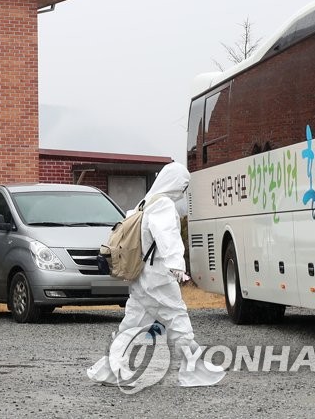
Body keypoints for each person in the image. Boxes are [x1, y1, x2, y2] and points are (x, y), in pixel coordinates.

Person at [86, 161, 226, 389]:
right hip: (158, 278)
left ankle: (110, 370)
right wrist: (177, 266)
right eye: (183, 185)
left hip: (140, 279)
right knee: (178, 320)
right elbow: (168, 236)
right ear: (176, 183)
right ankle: (195, 372)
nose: (183, 191)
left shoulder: (145, 202)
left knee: (132, 326)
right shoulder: (164, 205)